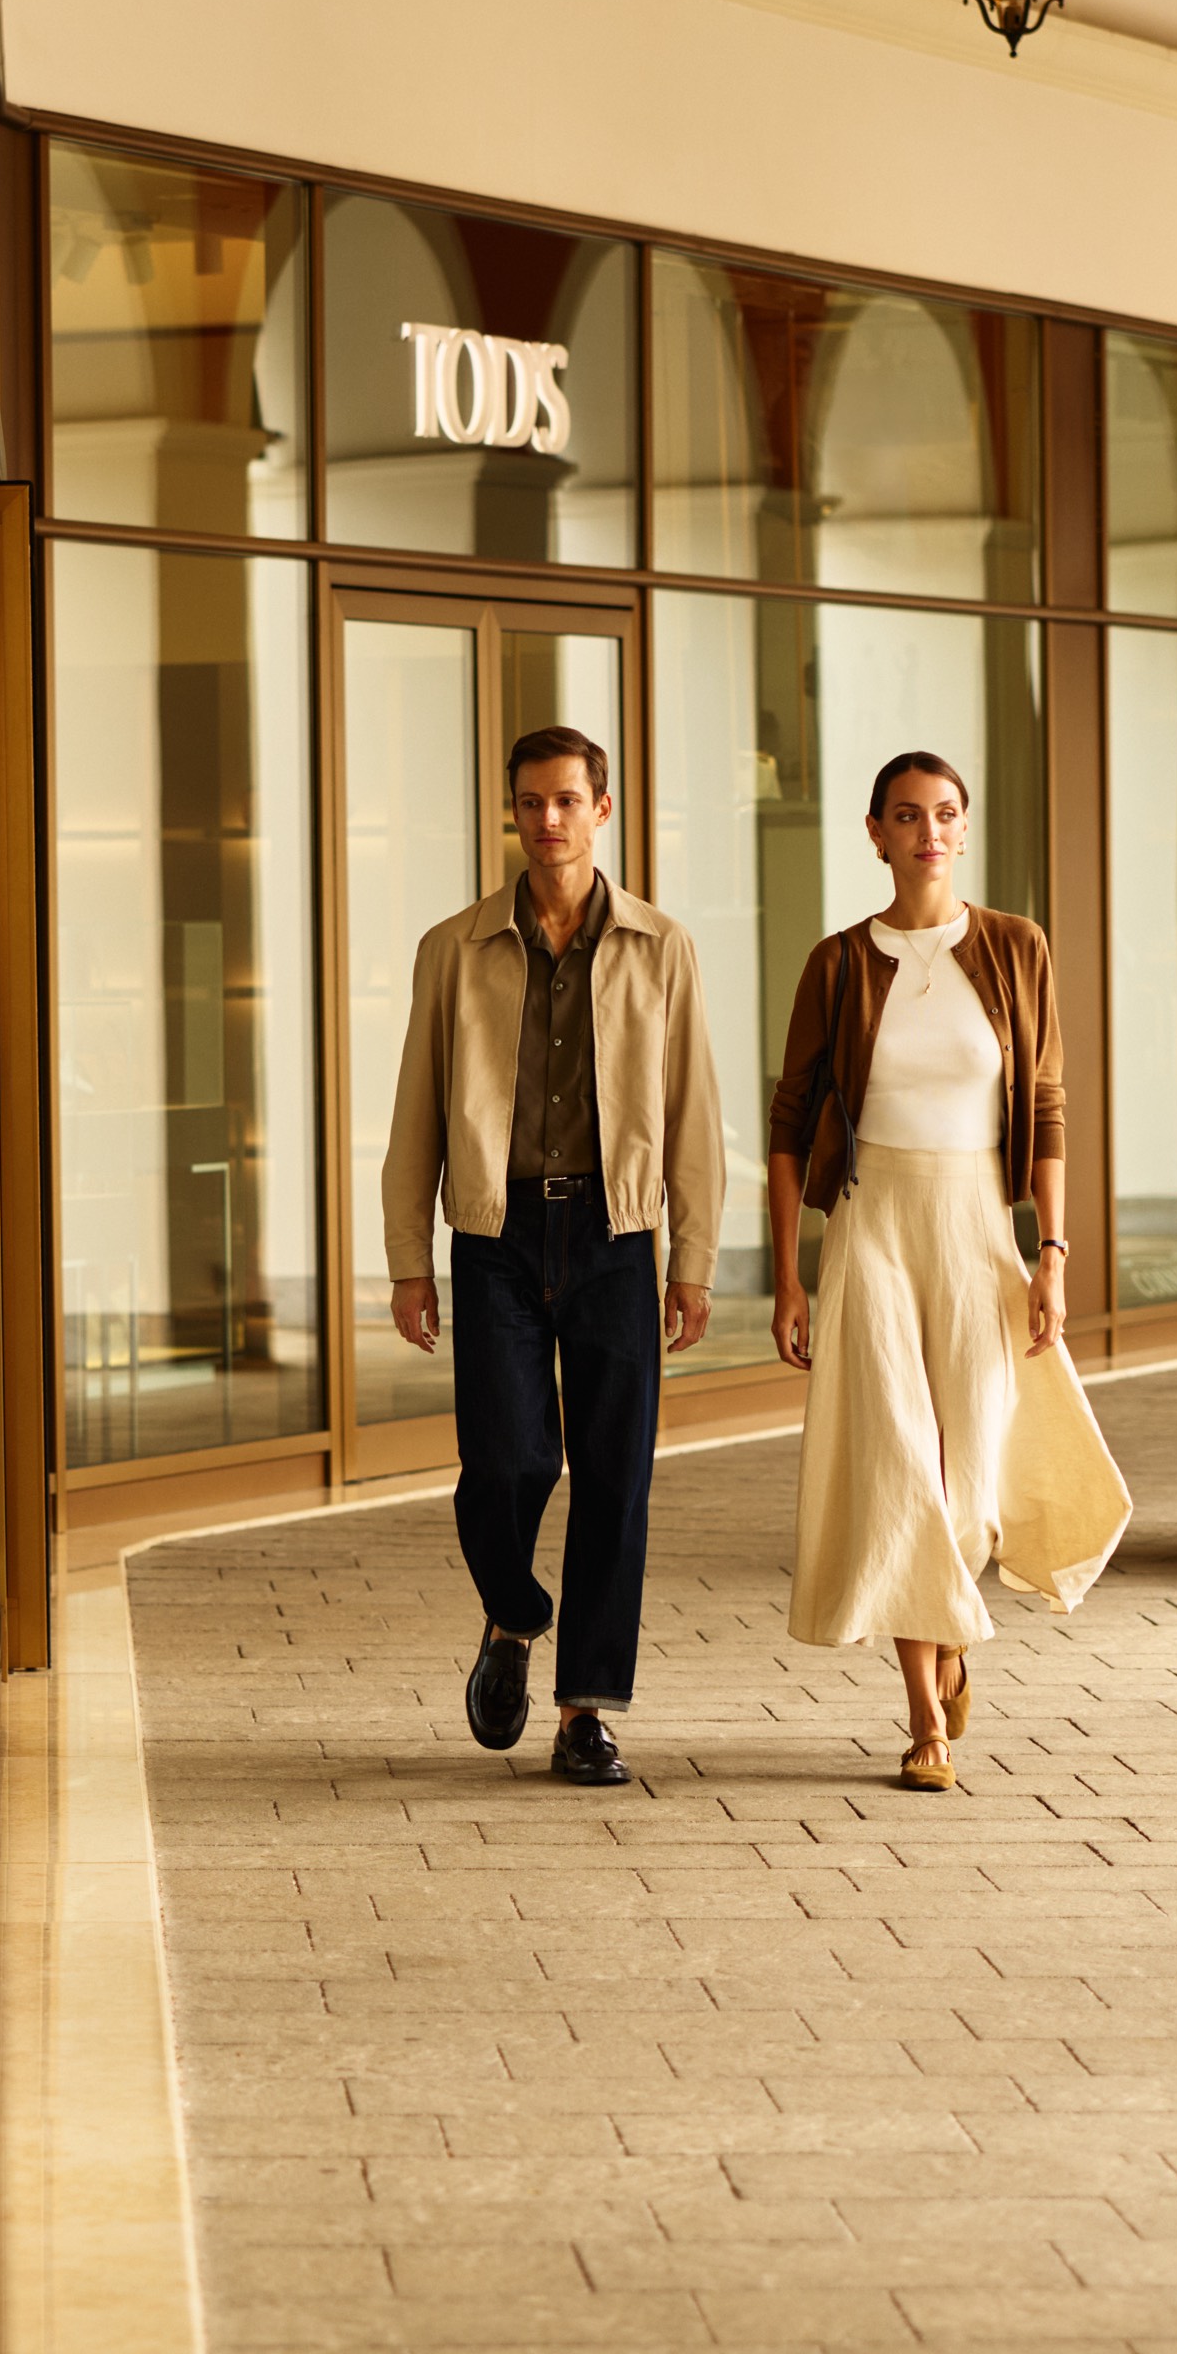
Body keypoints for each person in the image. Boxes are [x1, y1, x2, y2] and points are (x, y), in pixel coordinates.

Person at [767, 750, 1129, 1793]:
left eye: (946, 814)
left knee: (967, 1481)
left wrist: (1051, 1254)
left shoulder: (1017, 948)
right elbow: (792, 1123)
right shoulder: (836, 964)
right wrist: (792, 1276)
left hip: (977, 1228)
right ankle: (924, 1716)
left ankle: (949, 1631)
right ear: (874, 833)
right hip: (873, 1224)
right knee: (896, 1468)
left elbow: (1048, 1107)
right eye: (907, 815)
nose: (929, 831)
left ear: (965, 831)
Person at [384, 723, 724, 1787]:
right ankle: (516, 1612)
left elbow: (693, 1111)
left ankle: (585, 1712)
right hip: (495, 1233)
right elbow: (416, 1112)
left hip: (617, 1234)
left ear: (602, 810)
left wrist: (693, 1256)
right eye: (530, 802)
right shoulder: (454, 947)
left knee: (615, 1477)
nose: (547, 820)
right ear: (512, 812)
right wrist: (408, 1258)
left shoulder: (662, 948)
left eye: (568, 800)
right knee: (508, 1458)